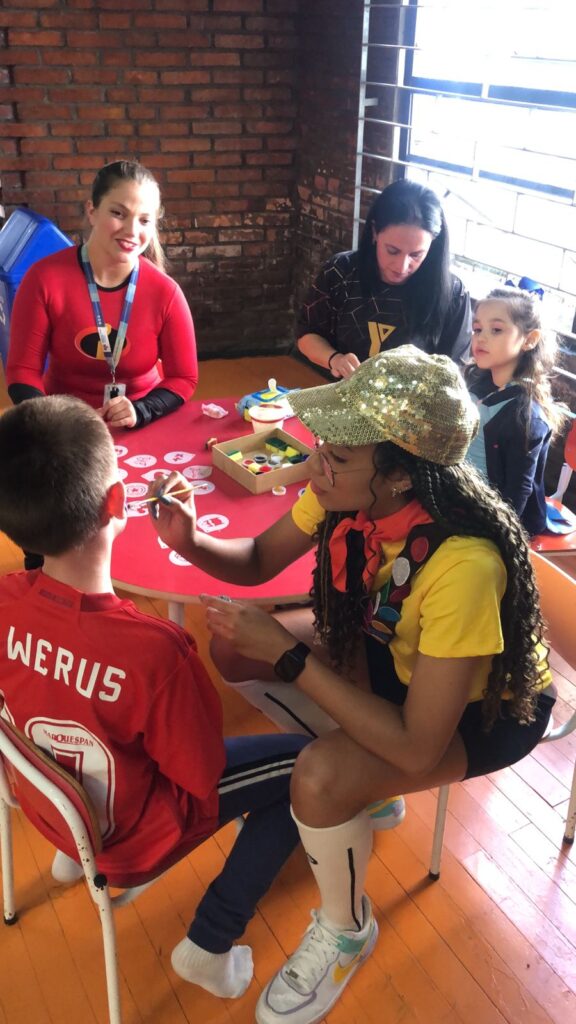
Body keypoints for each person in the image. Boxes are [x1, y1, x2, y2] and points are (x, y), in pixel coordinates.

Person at [148, 347, 555, 1024]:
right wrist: (189, 541)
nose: (315, 466)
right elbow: (256, 559)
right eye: (321, 449)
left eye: (336, 455)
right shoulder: (348, 494)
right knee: (233, 647)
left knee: (319, 776)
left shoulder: (464, 566)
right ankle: (366, 783)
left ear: (400, 476)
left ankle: (346, 929)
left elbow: (419, 746)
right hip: (393, 656)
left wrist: (289, 656)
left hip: (483, 714)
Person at [0, 395, 309, 1000]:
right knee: (306, 765)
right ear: (119, 502)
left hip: (50, 810)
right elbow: (201, 774)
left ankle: (73, 853)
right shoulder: (157, 652)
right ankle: (210, 941)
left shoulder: (5, 600)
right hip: (133, 841)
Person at [6, 160, 198, 430]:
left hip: (139, 422)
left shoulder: (166, 292)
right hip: (63, 424)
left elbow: (184, 377)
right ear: (92, 211)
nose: (132, 230)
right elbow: (22, 370)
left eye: (144, 220)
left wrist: (141, 410)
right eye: (118, 213)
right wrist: (52, 422)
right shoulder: (43, 279)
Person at [296, 178, 471, 379]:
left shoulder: (453, 293)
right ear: (374, 232)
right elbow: (306, 334)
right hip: (339, 391)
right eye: (392, 251)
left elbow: (454, 372)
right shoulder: (341, 271)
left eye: (416, 255)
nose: (401, 266)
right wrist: (335, 359)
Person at [466, 286, 567, 535]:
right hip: (457, 495)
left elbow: (515, 498)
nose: (481, 338)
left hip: (489, 518)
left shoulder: (526, 416)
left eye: (496, 330)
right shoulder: (474, 382)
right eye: (477, 329)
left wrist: (491, 538)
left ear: (529, 340)